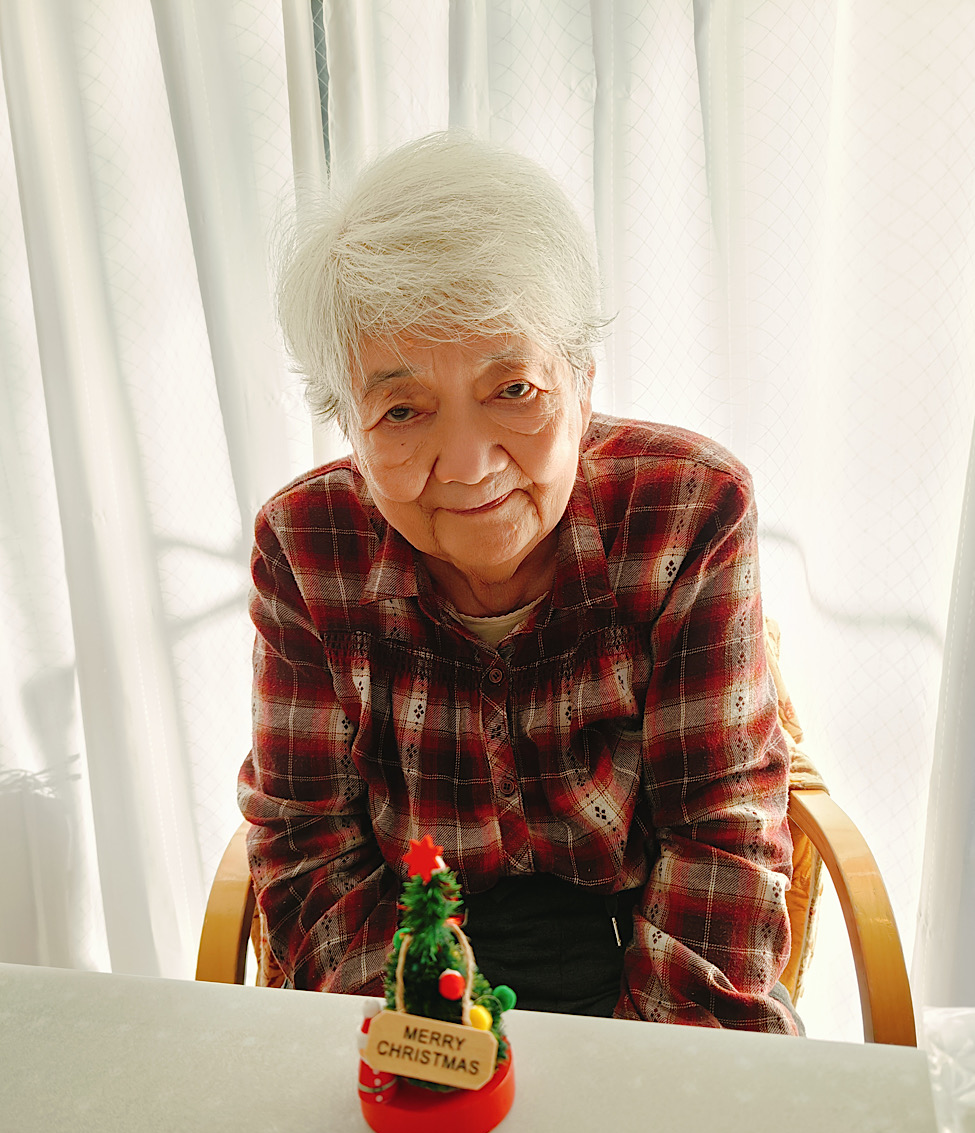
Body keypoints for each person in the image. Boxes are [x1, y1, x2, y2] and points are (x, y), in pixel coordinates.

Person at [238, 132, 800, 1033]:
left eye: (513, 389)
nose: (468, 466)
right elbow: (308, 842)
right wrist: (424, 1041)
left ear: (581, 382)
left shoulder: (688, 508)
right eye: (402, 409)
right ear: (347, 424)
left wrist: (652, 1067)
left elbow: (721, 828)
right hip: (411, 951)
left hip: (641, 944)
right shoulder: (304, 546)